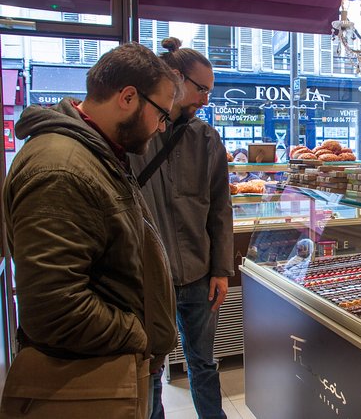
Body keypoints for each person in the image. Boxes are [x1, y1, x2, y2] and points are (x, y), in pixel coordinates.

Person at [2, 43, 179, 416]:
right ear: (128, 97)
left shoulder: (95, 151)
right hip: (96, 381)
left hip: (120, 370)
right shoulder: (61, 168)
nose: (162, 126)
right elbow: (54, 309)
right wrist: (137, 336)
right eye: (162, 113)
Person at [130, 37, 234, 419]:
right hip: (147, 278)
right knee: (151, 369)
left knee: (203, 363)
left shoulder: (207, 138)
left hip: (199, 272)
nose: (205, 100)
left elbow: (220, 209)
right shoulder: (135, 134)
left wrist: (221, 269)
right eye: (201, 88)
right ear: (175, 78)